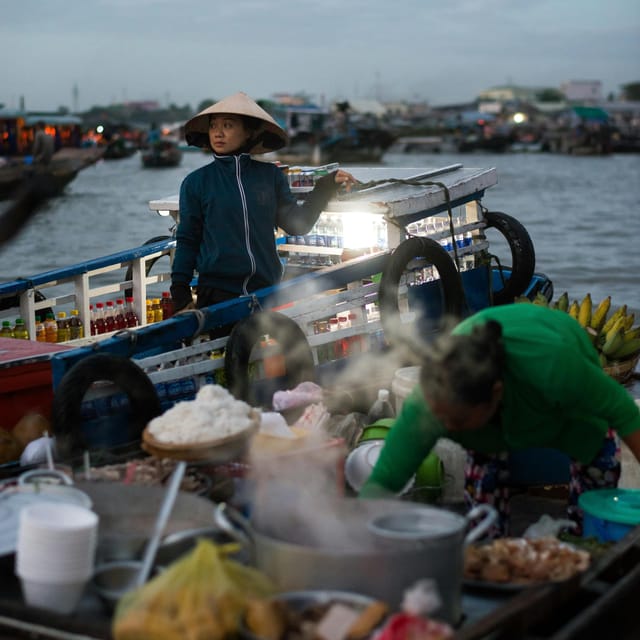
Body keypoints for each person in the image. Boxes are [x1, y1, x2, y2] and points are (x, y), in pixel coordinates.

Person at [359, 303, 640, 536]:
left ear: (495, 394)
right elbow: (385, 478)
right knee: (482, 523)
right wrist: (350, 536)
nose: (442, 427)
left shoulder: (556, 368)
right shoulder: (432, 401)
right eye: (439, 418)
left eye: (455, 421)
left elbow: (625, 415)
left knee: (592, 489)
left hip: (564, 391)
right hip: (488, 424)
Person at [170, 92, 358, 312]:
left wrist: (325, 187)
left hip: (267, 292)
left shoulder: (270, 176)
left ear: (249, 132)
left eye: (228, 125)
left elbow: (298, 225)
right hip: (217, 294)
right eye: (213, 126)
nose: (218, 133)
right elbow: (187, 240)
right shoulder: (196, 183)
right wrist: (180, 294)